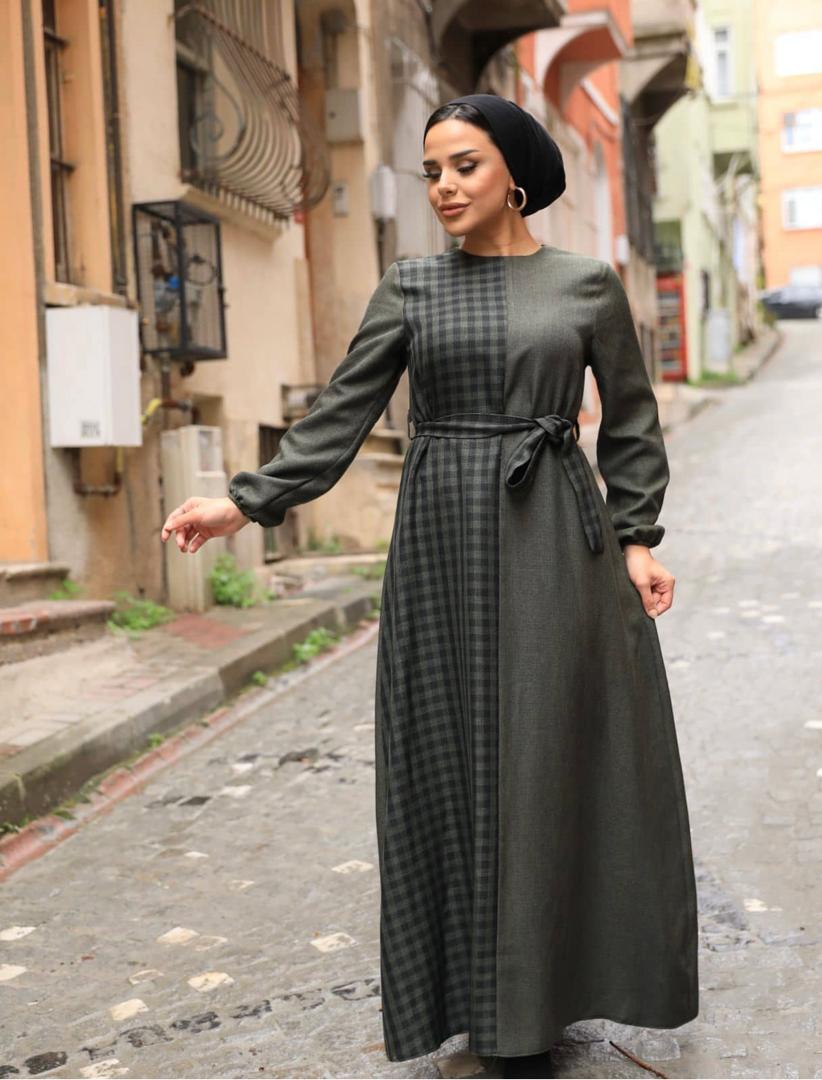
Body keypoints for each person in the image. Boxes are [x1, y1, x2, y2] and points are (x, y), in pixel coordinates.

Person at [161, 93, 699, 1079]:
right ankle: (475, 998)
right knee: (448, 758)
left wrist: (637, 540)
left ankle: (546, 991)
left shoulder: (583, 286)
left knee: (548, 750)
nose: (444, 187)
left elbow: (630, 419)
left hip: (556, 540)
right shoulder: (410, 286)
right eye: (432, 172)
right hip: (441, 543)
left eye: (465, 166)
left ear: (515, 176)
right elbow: (340, 413)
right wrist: (244, 502)